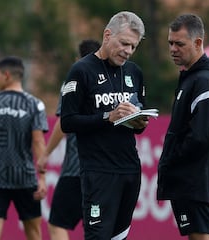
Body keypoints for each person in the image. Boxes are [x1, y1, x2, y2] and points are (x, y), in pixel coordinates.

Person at [60, 11, 148, 240]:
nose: (128, 51)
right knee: (98, 236)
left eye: (133, 47)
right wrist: (107, 117)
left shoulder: (134, 72)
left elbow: (140, 127)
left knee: (119, 237)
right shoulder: (81, 71)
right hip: (98, 172)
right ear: (107, 35)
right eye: (124, 43)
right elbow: (67, 122)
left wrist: (139, 121)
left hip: (130, 170)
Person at [157, 14, 209, 240]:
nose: (173, 49)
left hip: (194, 177)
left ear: (198, 42)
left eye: (179, 44)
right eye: (170, 43)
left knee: (202, 236)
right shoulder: (192, 77)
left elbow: (200, 135)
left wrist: (174, 158)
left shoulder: (204, 81)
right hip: (190, 177)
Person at [37, 39, 100, 240]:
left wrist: (45, 154)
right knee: (99, 229)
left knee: (57, 224)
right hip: (105, 172)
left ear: (77, 58)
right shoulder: (111, 80)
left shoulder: (75, 78)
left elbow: (63, 123)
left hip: (77, 169)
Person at [0, 56, 48, 240]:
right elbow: (38, 142)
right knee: (34, 233)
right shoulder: (34, 104)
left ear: (6, 75)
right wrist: (41, 178)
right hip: (25, 178)